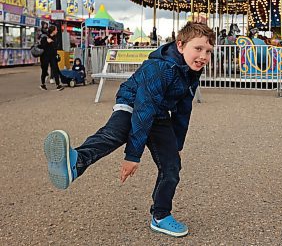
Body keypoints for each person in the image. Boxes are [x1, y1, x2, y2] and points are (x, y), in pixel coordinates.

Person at [43, 22, 215, 237]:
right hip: (134, 103)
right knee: (114, 133)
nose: (203, 56)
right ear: (180, 46)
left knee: (172, 166)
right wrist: (133, 156)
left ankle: (161, 215)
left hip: (159, 113)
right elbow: (143, 110)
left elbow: (183, 110)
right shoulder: (161, 68)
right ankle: (75, 162)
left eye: (208, 51)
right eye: (198, 49)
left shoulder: (191, 70)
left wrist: (177, 144)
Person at [39, 25, 64, 91]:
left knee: (55, 69)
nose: (57, 31)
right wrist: (47, 42)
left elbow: (55, 47)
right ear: (53, 30)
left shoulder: (55, 38)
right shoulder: (45, 37)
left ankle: (58, 85)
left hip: (53, 56)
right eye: (56, 30)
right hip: (45, 56)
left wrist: (56, 55)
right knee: (44, 70)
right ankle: (43, 84)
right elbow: (42, 46)